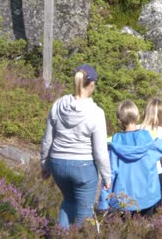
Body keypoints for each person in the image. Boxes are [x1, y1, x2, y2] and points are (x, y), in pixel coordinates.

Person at [41, 64, 111, 229]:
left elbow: (47, 139)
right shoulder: (96, 112)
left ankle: (62, 234)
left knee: (68, 201)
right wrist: (107, 178)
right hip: (83, 167)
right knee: (84, 214)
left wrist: (44, 164)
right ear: (92, 84)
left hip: (58, 163)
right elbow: (100, 152)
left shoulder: (58, 105)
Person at [98, 100, 162, 217]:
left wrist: (103, 203)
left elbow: (109, 176)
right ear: (137, 117)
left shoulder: (114, 145)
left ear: (119, 121)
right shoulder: (150, 141)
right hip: (148, 198)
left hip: (123, 201)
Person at [138, 97, 162, 208]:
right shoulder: (161, 132)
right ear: (161, 114)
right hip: (156, 174)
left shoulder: (136, 129)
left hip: (138, 174)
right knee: (159, 207)